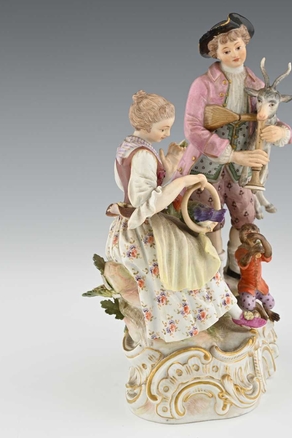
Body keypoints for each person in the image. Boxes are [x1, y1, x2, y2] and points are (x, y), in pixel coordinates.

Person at [105, 91, 263, 343]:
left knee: (197, 254)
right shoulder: (143, 155)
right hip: (143, 230)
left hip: (129, 226)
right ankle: (229, 314)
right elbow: (145, 203)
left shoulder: (127, 147)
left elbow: (140, 189)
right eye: (163, 129)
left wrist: (169, 167)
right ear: (144, 125)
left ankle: (230, 311)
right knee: (198, 257)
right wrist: (183, 181)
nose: (167, 134)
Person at [180, 13, 292, 279]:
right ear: (216, 53)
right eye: (226, 50)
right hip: (207, 166)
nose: (235, 54)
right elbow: (192, 128)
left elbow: (271, 116)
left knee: (245, 214)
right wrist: (231, 154)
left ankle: (235, 267)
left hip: (242, 170)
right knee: (210, 218)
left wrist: (282, 132)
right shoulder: (203, 85)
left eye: (238, 47)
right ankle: (213, 273)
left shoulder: (256, 85)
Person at [234, 223, 274, 325]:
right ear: (240, 235)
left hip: (260, 285)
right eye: (245, 229)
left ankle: (267, 310)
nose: (249, 230)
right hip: (247, 286)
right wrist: (251, 252)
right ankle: (259, 308)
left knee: (271, 303)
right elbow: (243, 263)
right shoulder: (240, 250)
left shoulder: (258, 248)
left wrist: (262, 239)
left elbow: (268, 254)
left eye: (253, 229)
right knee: (248, 305)